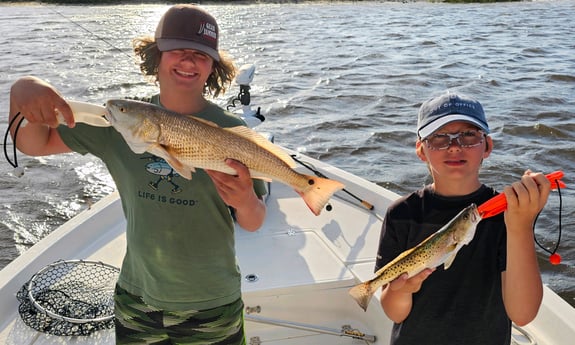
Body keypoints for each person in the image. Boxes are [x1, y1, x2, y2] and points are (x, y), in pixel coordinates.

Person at [9, 4, 267, 344]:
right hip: (137, 301)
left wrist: (246, 200)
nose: (188, 61)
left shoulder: (233, 132)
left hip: (212, 304)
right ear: (156, 55)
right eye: (177, 50)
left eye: (201, 55)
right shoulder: (121, 120)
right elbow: (34, 143)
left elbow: (254, 220)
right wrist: (23, 89)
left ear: (213, 65)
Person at [376, 92, 551, 345]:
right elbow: (394, 311)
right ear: (421, 150)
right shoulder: (401, 214)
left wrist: (521, 226)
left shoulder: (507, 214)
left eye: (469, 135)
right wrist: (399, 290)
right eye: (438, 137)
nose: (455, 145)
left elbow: (523, 314)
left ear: (487, 146)